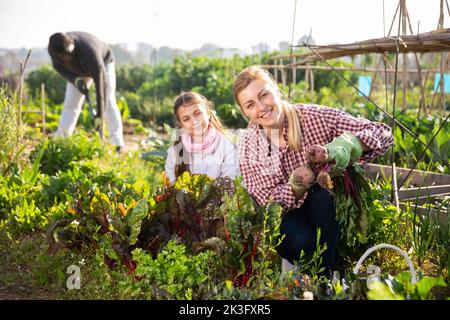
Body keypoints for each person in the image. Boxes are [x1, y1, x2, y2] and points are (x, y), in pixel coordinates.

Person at [233, 65, 393, 276]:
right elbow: (267, 200)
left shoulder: (313, 117)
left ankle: (323, 278)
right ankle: (310, 267)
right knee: (298, 240)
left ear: (276, 90)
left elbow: (382, 132)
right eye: (250, 104)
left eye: (264, 95)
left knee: (323, 193)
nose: (261, 107)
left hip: (328, 209)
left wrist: (339, 147)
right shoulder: (249, 143)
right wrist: (296, 186)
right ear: (244, 112)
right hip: (286, 215)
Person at [47, 31, 124, 151]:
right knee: (71, 104)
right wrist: (74, 79)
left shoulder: (89, 51)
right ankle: (62, 138)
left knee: (109, 101)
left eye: (68, 54)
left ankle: (117, 143)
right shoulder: (54, 50)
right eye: (62, 57)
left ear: (72, 44)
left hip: (103, 64)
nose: (66, 58)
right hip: (77, 72)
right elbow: (58, 67)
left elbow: (101, 85)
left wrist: (99, 114)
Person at [164, 92, 240, 184]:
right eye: (186, 119)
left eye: (197, 113)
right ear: (181, 124)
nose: (194, 122)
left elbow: (229, 185)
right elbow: (173, 188)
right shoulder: (175, 152)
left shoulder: (228, 148)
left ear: (208, 113)